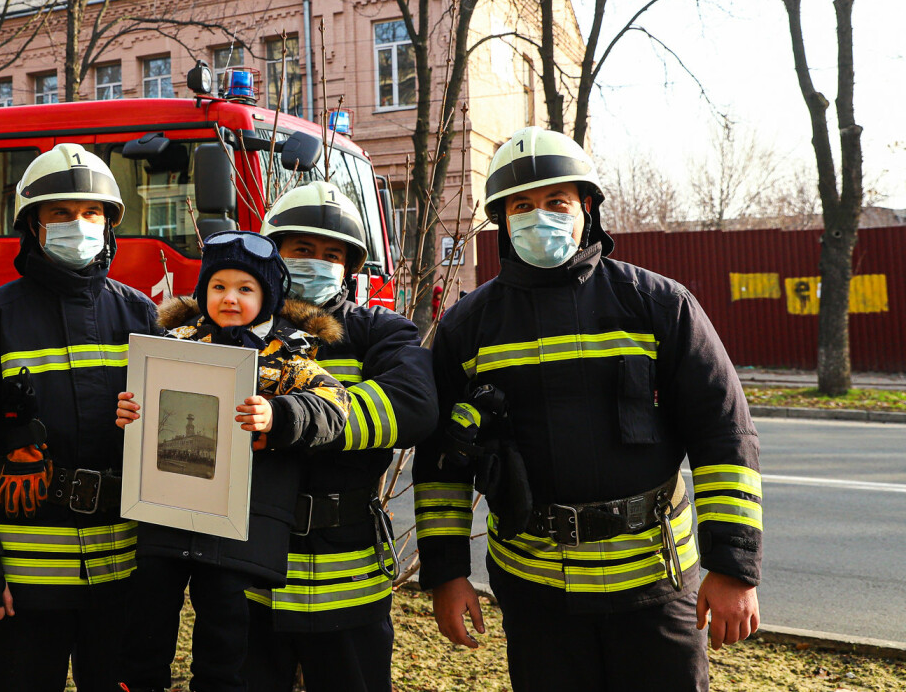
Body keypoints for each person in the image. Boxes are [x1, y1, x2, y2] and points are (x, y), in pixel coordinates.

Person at [416, 126, 762, 692]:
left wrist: (734, 567)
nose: (539, 217)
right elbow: (439, 465)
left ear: (588, 208)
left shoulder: (658, 305)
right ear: (502, 220)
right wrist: (448, 575)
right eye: (521, 206)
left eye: (556, 201)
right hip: (536, 593)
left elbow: (725, 438)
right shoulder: (468, 327)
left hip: (654, 583)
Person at [0, 144, 160, 692]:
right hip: (22, 585)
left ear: (110, 225)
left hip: (124, 575)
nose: (78, 225)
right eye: (60, 213)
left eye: (91, 213)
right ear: (32, 225)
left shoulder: (143, 317)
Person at [116, 230, 351, 692]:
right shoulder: (174, 341)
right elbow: (141, 396)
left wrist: (279, 414)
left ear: (268, 296)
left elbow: (334, 406)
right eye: (218, 287)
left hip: (235, 521)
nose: (229, 298)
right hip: (165, 509)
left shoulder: (290, 353)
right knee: (147, 611)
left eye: (246, 289)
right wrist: (128, 412)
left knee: (224, 624)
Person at [245, 183, 438, 692]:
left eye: (332, 255)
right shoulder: (237, 332)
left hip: (348, 580)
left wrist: (291, 418)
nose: (316, 263)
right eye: (302, 250)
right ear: (274, 255)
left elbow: (414, 408)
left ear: (350, 269)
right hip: (248, 578)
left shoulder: (380, 331)